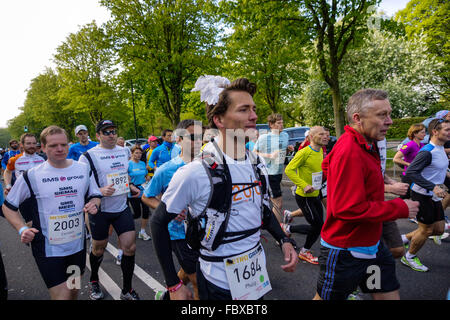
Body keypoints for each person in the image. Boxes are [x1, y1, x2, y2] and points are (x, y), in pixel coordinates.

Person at [150, 76, 298, 300]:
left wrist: (283, 240)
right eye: (244, 110)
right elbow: (158, 222)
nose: (254, 116)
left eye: (254, 109)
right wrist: (173, 284)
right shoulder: (195, 171)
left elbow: (262, 210)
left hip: (255, 279)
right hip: (217, 282)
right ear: (219, 120)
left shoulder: (257, 163)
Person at [314, 89, 419, 300]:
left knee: (384, 292)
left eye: (389, 114)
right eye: (382, 115)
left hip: (373, 247)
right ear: (357, 118)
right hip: (346, 251)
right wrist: (400, 208)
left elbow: (327, 165)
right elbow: (347, 208)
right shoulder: (349, 150)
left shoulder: (365, 144)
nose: (389, 121)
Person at [2, 125, 101, 300]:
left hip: (76, 247)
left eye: (63, 144)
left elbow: (94, 195)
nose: (60, 149)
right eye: (53, 146)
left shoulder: (82, 169)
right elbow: (8, 207)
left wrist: (94, 204)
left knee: (73, 292)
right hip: (47, 249)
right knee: (62, 296)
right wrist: (22, 229)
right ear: (43, 147)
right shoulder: (31, 175)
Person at [79, 120, 141, 300]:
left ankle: (127, 290)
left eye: (114, 131)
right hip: (101, 211)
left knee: (130, 247)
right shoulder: (88, 156)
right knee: (98, 249)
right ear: (97, 135)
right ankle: (94, 281)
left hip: (121, 207)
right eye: (106, 132)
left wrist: (131, 185)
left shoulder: (124, 151)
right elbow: (82, 184)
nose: (112, 134)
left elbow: (123, 175)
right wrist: (99, 191)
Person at [142, 119, 203, 300]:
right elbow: (146, 196)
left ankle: (167, 296)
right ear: (178, 139)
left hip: (205, 232)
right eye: (192, 137)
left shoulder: (209, 165)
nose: (198, 141)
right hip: (179, 234)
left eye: (200, 136)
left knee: (189, 269)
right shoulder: (167, 169)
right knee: (199, 280)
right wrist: (170, 210)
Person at [401, 118, 450, 272]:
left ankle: (404, 238)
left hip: (433, 195)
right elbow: (411, 172)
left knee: (439, 229)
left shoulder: (440, 148)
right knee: (426, 230)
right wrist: (433, 187)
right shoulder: (427, 152)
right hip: (422, 195)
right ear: (435, 132)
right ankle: (409, 257)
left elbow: (437, 170)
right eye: (447, 130)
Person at [284, 126, 328, 264]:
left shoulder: (320, 151)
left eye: (326, 134)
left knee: (319, 225)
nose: (326, 136)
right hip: (304, 196)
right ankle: (304, 251)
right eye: (321, 134)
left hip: (316, 194)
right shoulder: (304, 152)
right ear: (311, 136)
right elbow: (289, 169)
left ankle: (288, 228)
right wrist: (304, 185)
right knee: (317, 226)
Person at [253, 113, 294, 222]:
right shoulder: (264, 137)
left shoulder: (285, 135)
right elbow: (254, 152)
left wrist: (288, 149)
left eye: (282, 122)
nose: (282, 125)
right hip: (269, 173)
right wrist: (269, 156)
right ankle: (279, 232)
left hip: (279, 172)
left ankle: (263, 220)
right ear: (271, 125)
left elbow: (281, 152)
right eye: (278, 123)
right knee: (278, 203)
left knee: (268, 201)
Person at [393, 124, 426, 199]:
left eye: (425, 132)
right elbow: (396, 158)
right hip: (409, 176)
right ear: (415, 133)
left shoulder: (422, 145)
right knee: (404, 198)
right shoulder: (409, 145)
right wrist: (409, 164)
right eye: (422, 132)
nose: (424, 134)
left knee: (418, 198)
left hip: (418, 175)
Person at [127, 145, 151, 241]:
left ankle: (142, 231)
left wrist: (147, 177)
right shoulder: (128, 164)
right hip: (133, 190)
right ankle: (126, 224)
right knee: (137, 213)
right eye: (136, 153)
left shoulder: (142, 163)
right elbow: (126, 178)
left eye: (140, 153)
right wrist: (131, 185)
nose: (139, 155)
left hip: (143, 189)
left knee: (146, 211)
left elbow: (145, 174)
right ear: (132, 153)